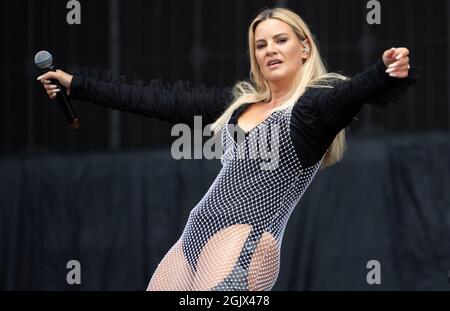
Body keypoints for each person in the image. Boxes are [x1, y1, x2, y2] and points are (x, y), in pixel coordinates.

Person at [37, 7, 418, 291]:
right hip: (193, 237)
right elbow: (154, 99)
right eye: (261, 45)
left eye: (280, 40)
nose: (270, 50)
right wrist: (78, 85)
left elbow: (350, 94)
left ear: (304, 47)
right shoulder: (238, 104)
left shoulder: (312, 108)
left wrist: (382, 72)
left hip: (247, 237)